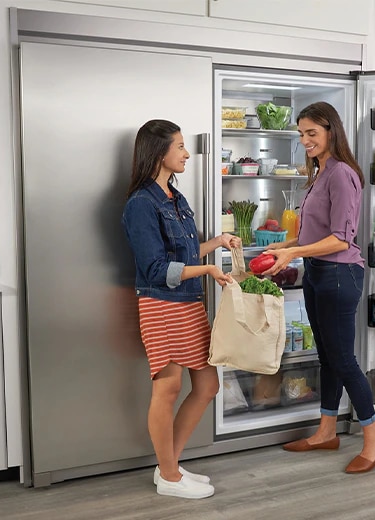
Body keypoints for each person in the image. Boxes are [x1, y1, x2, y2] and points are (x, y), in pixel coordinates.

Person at [261, 102, 375, 473]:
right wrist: (284, 247)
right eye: (301, 134)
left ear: (331, 130)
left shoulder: (342, 174)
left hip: (338, 275)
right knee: (328, 357)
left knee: (344, 360)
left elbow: (341, 240)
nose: (305, 141)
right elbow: (312, 233)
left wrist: (296, 251)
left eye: (311, 133)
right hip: (318, 273)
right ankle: (326, 432)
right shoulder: (319, 173)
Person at [123, 119, 240, 498]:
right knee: (169, 387)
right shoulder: (141, 204)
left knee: (207, 385)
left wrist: (216, 243)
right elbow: (156, 269)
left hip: (188, 304)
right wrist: (206, 269)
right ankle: (171, 477)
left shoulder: (174, 196)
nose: (187, 153)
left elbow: (184, 254)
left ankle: (168, 466)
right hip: (160, 305)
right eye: (179, 146)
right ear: (159, 153)